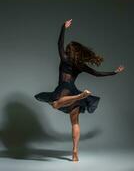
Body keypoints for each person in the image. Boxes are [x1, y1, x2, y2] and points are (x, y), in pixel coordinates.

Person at [34, 19, 125, 162]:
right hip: (73, 90)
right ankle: (75, 152)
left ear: (69, 51)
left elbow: (59, 44)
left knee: (55, 104)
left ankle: (79, 96)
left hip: (63, 89)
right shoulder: (80, 65)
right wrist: (114, 72)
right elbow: (97, 73)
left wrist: (63, 28)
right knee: (75, 122)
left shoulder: (64, 58)